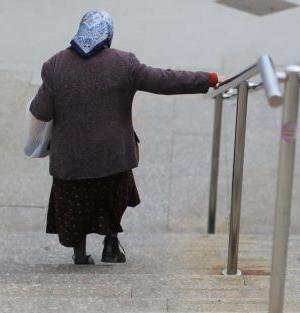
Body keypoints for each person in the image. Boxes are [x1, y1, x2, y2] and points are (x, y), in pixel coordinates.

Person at [29, 9, 220, 264]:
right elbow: (166, 80)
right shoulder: (124, 63)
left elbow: (40, 111)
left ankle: (79, 256)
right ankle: (110, 244)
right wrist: (210, 79)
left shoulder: (55, 65)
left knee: (75, 209)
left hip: (71, 164)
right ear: (108, 34)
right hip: (113, 159)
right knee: (111, 199)